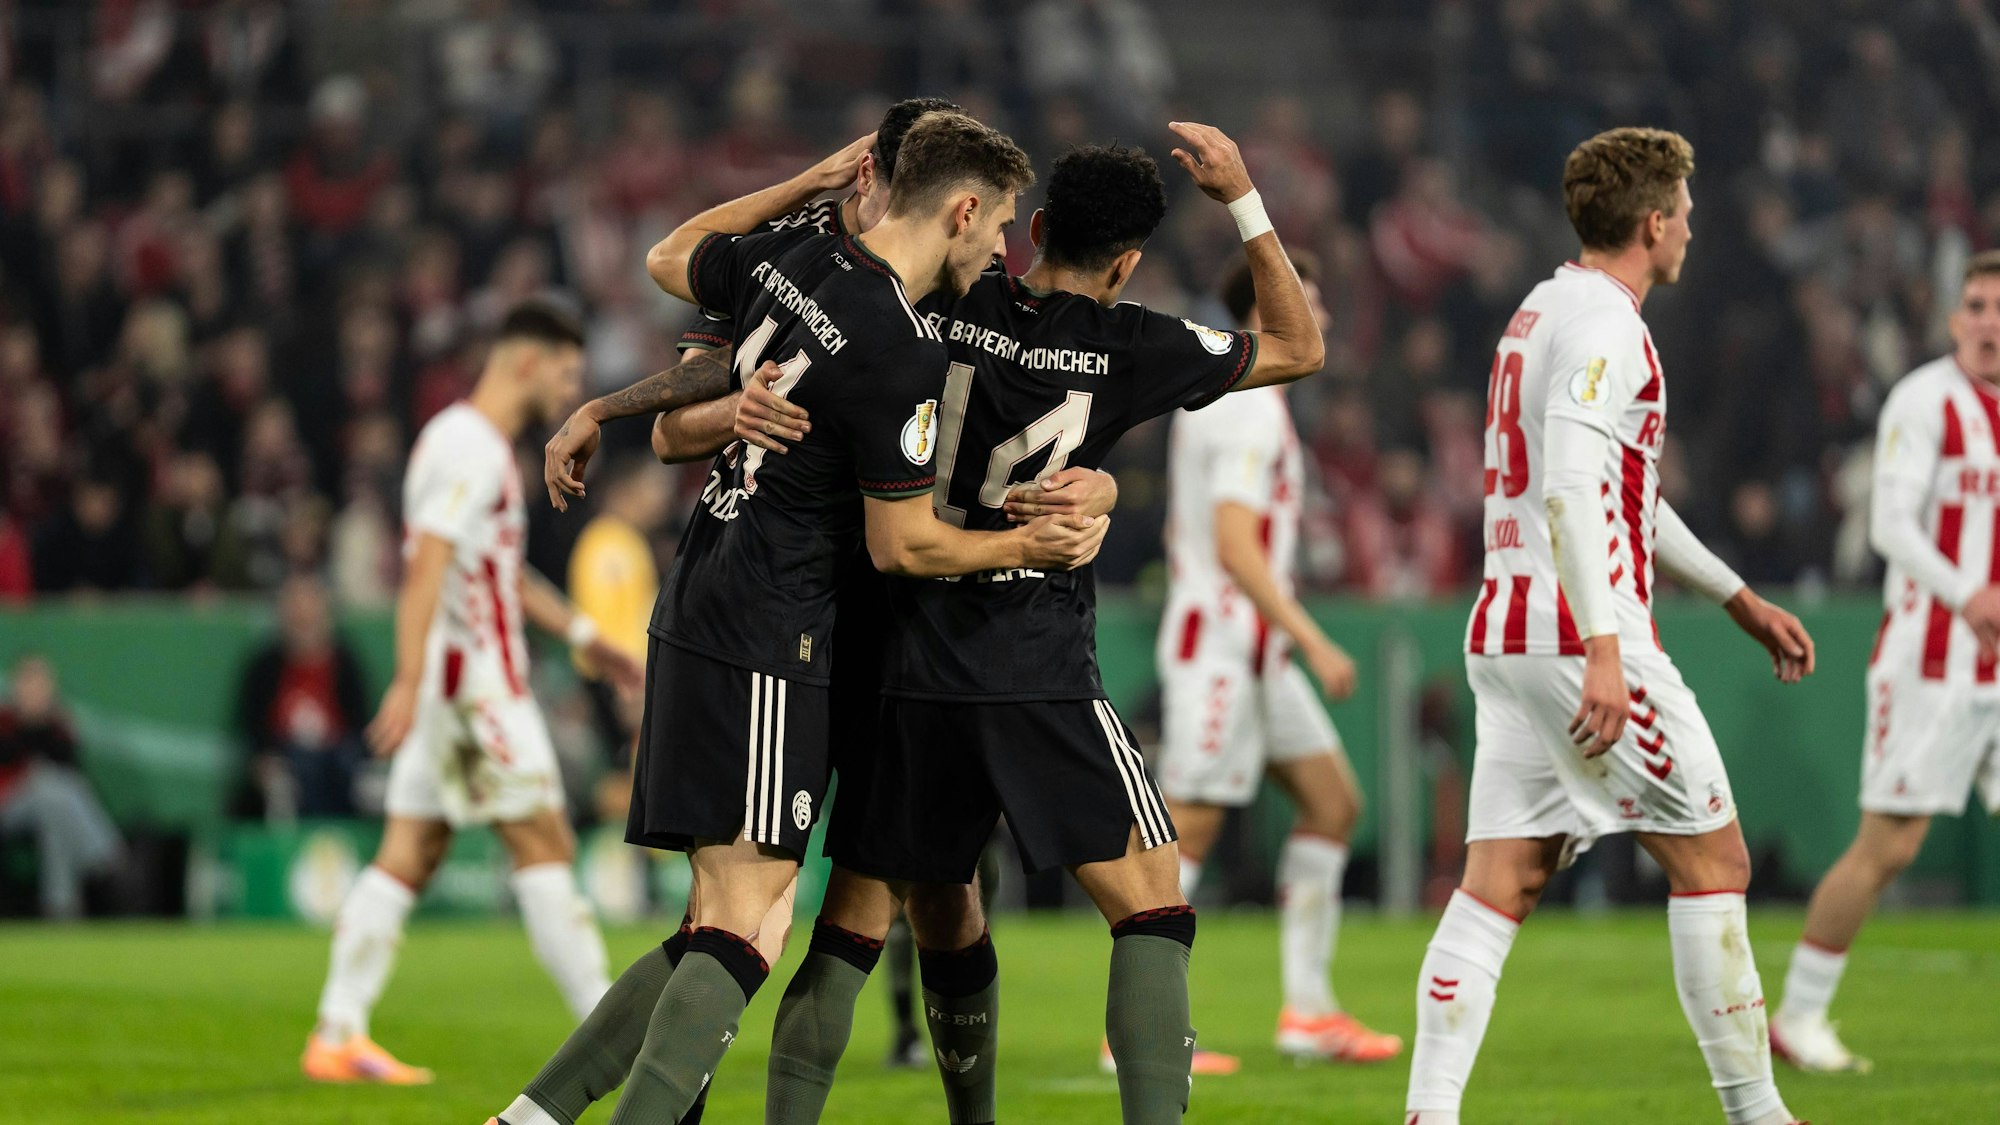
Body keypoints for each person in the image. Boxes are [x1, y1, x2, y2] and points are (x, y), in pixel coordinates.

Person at [489, 112, 1098, 1125]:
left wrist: (609, 405)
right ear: (958, 210)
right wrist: (1024, 547)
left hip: (699, 592)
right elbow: (901, 546)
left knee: (714, 923)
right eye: (994, 227)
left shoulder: (798, 255)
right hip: (775, 631)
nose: (1001, 250)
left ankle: (531, 1117)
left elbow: (672, 258)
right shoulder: (897, 351)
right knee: (744, 924)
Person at [725, 124, 1326, 1125]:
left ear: (1034, 224)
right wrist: (1243, 200)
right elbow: (1300, 347)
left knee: (854, 929)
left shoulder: (959, 296)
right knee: (1152, 904)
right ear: (1127, 262)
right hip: (1033, 658)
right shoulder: (1132, 342)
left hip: (906, 658)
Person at [1402, 127, 1817, 1125]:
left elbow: (1621, 496)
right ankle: (1757, 1115)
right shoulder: (1604, 328)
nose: (1689, 227)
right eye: (1682, 209)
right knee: (1713, 862)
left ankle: (1428, 1113)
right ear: (1652, 223)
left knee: (1498, 881)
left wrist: (1733, 597)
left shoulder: (1541, 307)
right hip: (1576, 635)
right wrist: (1600, 648)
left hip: (1504, 631)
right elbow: (1575, 489)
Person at [302, 304, 643, 1085]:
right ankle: (608, 1034)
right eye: (565, 372)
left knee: (410, 853)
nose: (571, 390)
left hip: (456, 689)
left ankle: (338, 1032)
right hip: (475, 689)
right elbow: (428, 564)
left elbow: (497, 572)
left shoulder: (475, 446)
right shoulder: (466, 448)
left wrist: (585, 636)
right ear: (526, 361)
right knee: (546, 844)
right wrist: (413, 677)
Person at [1153, 251, 1401, 1067]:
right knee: (1188, 828)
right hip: (1223, 650)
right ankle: (1145, 1031)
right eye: (1310, 295)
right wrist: (1316, 637)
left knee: (1332, 801)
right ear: (1271, 308)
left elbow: (1187, 532)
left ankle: (1309, 1010)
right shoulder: (1246, 405)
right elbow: (1233, 545)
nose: (1321, 309)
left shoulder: (1233, 396)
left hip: (1251, 649)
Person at [1770, 249, 2000, 1073]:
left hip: (1996, 670)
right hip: (1930, 664)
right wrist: (1968, 593)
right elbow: (1891, 526)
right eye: (1974, 305)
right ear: (1952, 319)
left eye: (1998, 307)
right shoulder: (1925, 400)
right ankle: (1798, 1015)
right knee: (1887, 847)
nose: (1987, 321)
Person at [564, 454, 668, 817]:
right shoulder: (608, 543)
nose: (660, 499)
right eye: (651, 488)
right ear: (625, 491)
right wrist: (627, 681)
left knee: (638, 780)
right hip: (617, 682)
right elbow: (602, 622)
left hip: (626, 679)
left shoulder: (627, 542)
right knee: (627, 784)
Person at [234, 574, 371, 819]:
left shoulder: (344, 663)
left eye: (310, 616)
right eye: (297, 617)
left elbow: (361, 724)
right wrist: (261, 761)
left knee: (343, 768)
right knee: (295, 772)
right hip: (287, 758)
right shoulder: (265, 666)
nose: (304, 622)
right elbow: (252, 728)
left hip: (336, 760)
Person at [0, 656, 121, 919]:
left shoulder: (58, 724)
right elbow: (9, 757)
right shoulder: (5, 721)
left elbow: (71, 766)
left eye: (41, 685)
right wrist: (29, 726)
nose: (34, 691)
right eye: (29, 684)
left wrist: (45, 726)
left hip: (46, 806)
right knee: (47, 785)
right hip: (7, 803)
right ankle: (104, 857)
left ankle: (60, 907)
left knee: (55, 805)